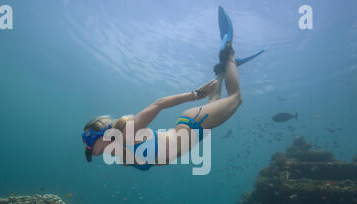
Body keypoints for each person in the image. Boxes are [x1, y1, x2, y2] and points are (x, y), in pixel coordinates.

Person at [82, 7, 265, 171]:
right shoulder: (119, 154)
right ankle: (224, 71)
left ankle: (229, 50)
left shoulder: (128, 132)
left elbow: (159, 104)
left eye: (88, 140)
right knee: (215, 101)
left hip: (195, 122)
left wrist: (196, 94)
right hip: (196, 131)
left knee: (236, 97)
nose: (87, 147)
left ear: (103, 134)